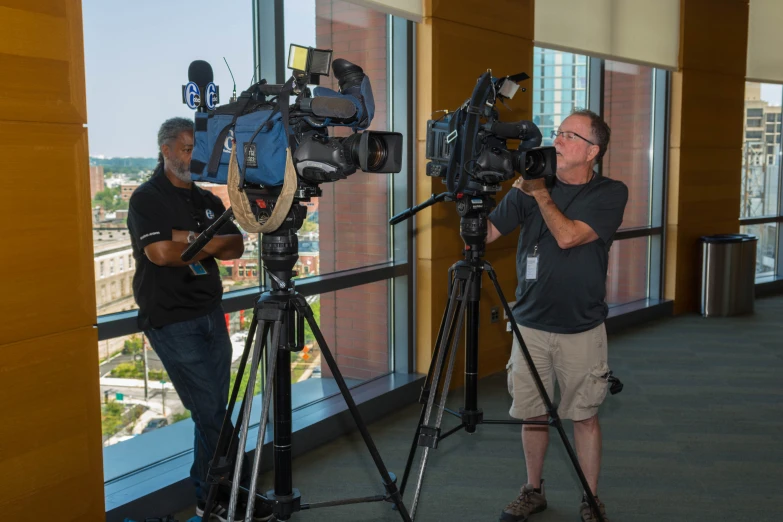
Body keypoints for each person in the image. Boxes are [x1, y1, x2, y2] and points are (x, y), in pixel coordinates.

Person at [487, 110, 628, 522]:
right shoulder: (529, 188)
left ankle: (590, 496)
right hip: (529, 324)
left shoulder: (609, 192)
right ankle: (533, 490)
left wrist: (539, 193)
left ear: (593, 151)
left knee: (583, 415)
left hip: (581, 326)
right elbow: (487, 234)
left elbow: (568, 237)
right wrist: (471, 197)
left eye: (570, 135)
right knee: (532, 413)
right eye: (558, 132)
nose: (559, 140)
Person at [127, 117, 271, 521]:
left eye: (197, 149)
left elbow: (237, 246)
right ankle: (232, 491)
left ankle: (210, 496)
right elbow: (159, 254)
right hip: (172, 321)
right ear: (166, 150)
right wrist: (205, 241)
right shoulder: (146, 199)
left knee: (212, 409)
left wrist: (185, 239)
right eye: (187, 148)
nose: (193, 157)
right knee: (211, 413)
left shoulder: (207, 199)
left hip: (211, 314)